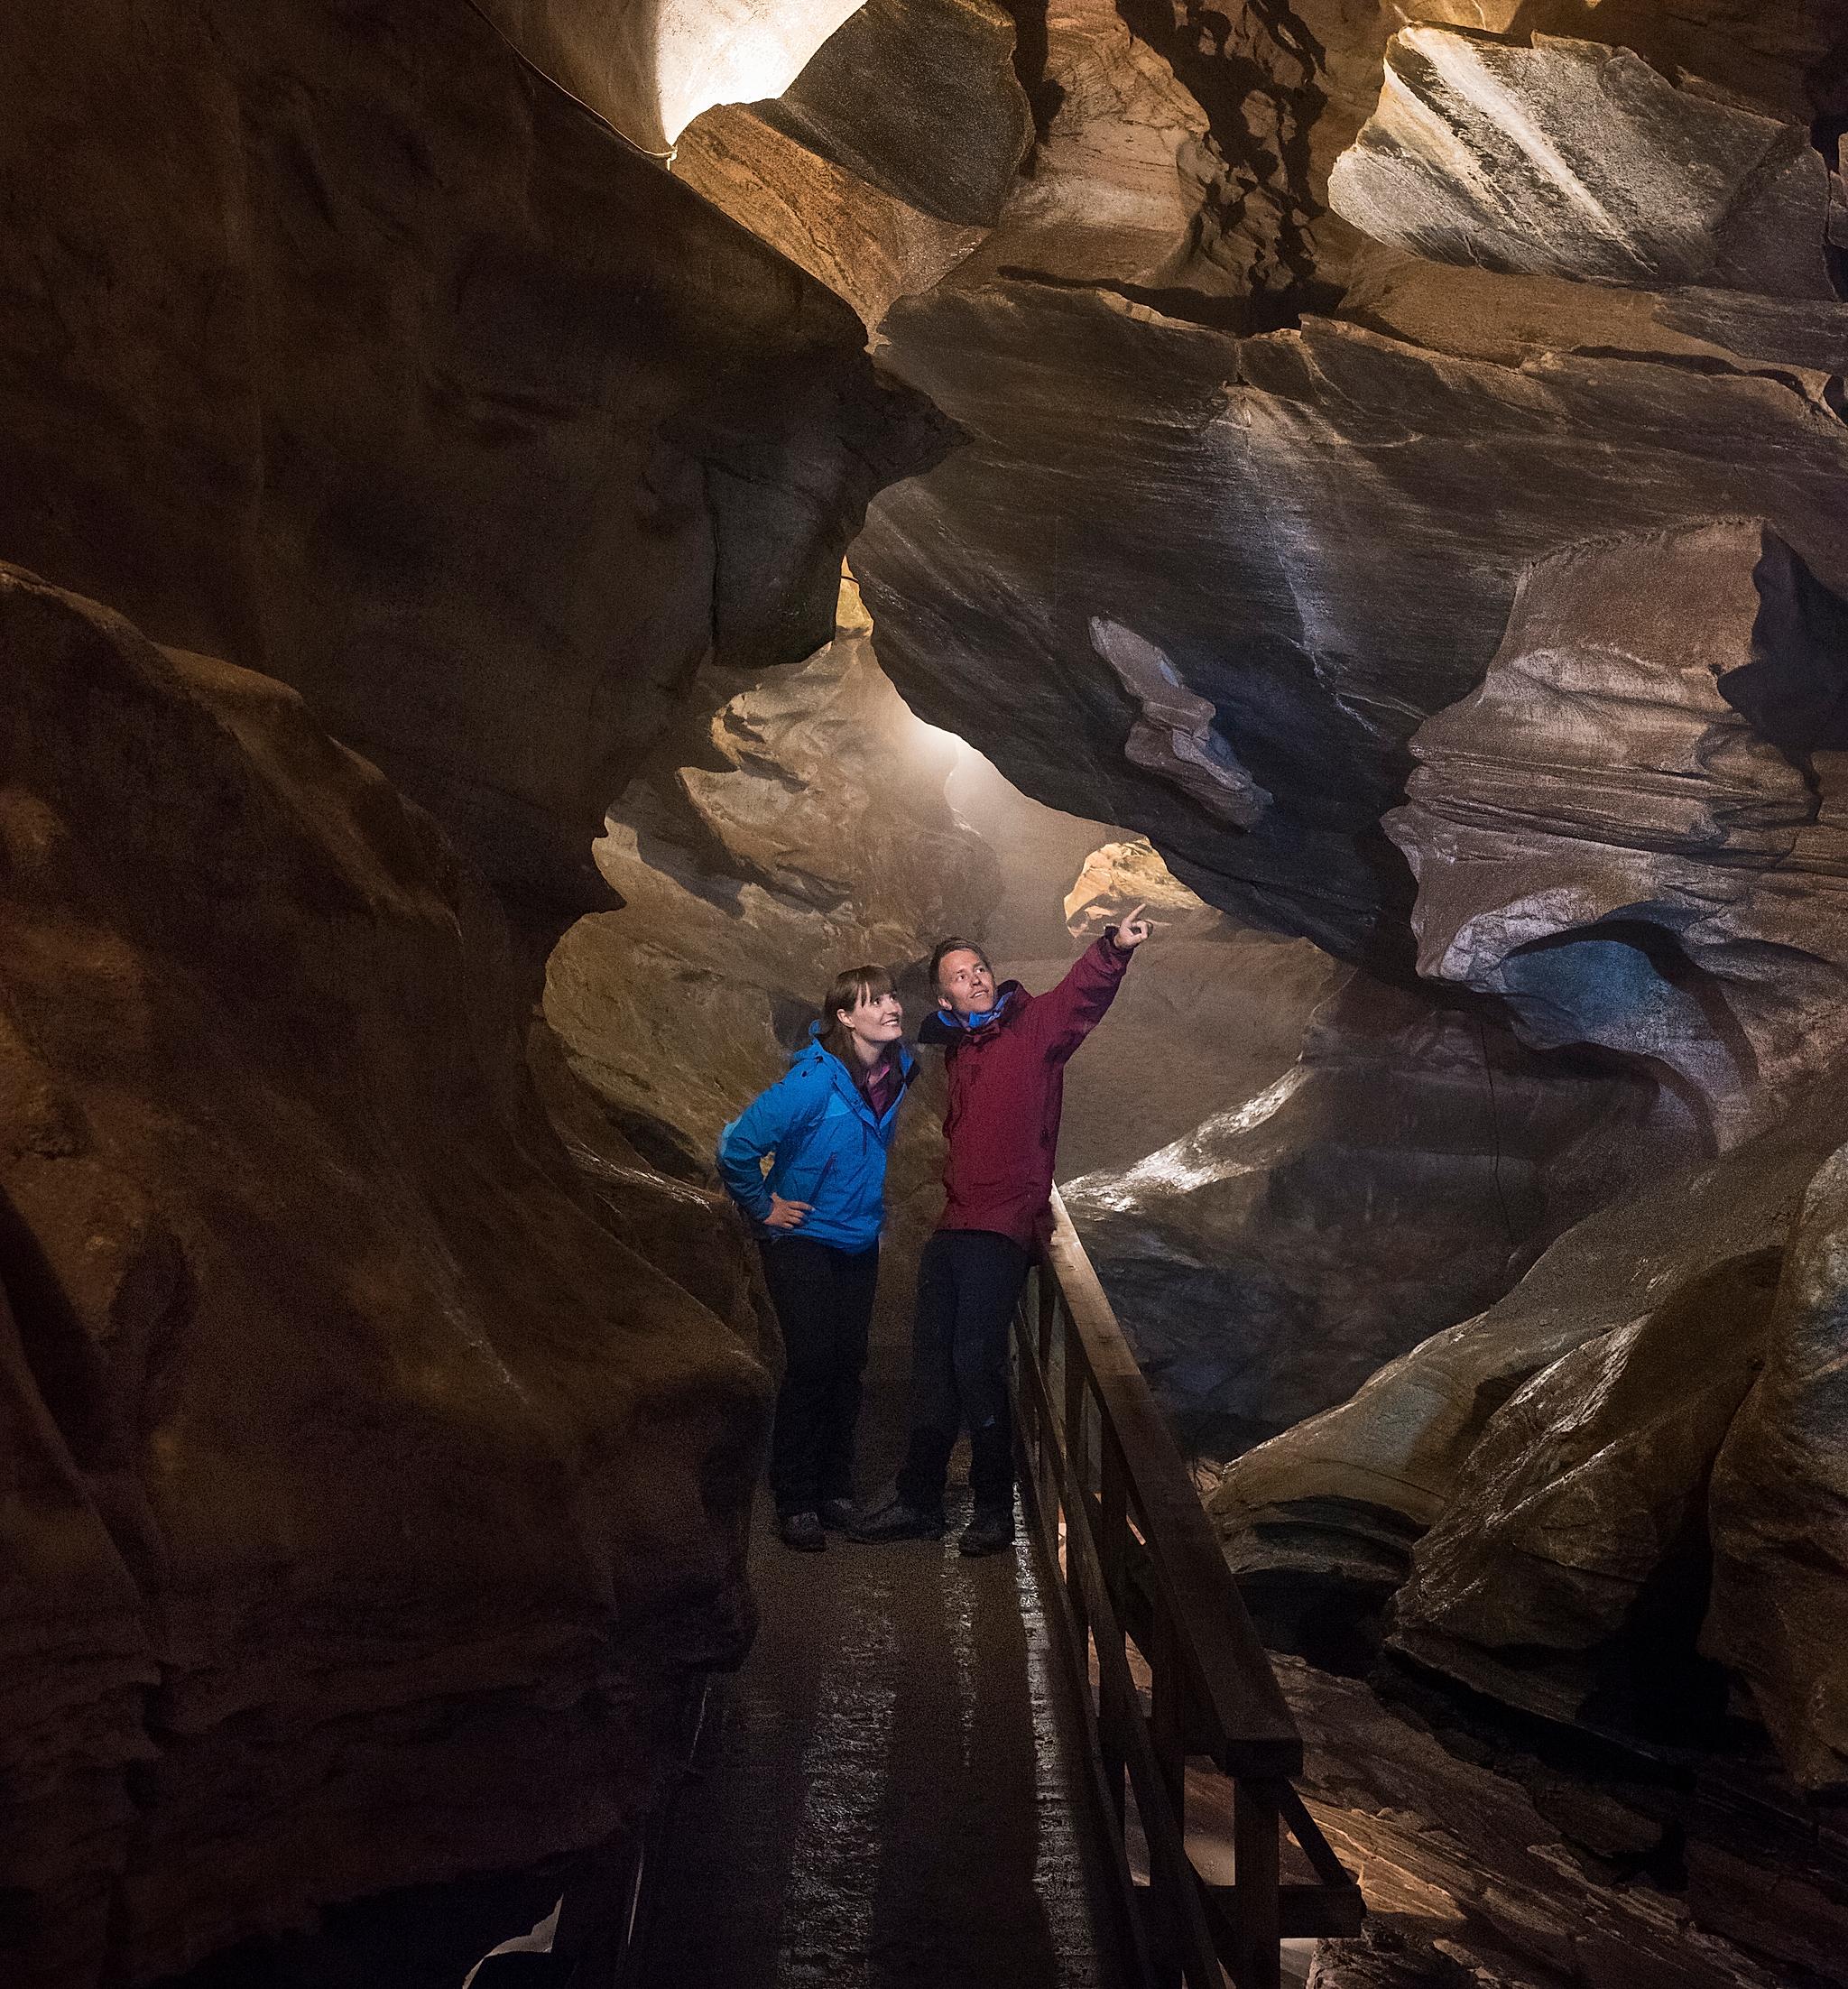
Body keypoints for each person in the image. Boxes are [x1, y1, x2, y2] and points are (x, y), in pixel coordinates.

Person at [852, 906, 1150, 1557]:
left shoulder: (1033, 1026)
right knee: (932, 1360)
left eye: (980, 968)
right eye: (961, 975)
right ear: (945, 996)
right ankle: (920, 1500)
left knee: (973, 1362)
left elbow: (1082, 996)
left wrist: (1114, 949)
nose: (977, 979)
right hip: (954, 1221)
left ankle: (993, 1509)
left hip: (1003, 1225)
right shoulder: (959, 1052)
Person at [717, 967, 914, 1552]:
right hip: (801, 1241)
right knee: (812, 1363)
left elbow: (864, 1155)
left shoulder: (889, 1077)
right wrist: (764, 1207)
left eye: (892, 996)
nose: (890, 1006)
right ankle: (797, 1499)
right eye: (873, 1001)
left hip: (855, 1243)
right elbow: (738, 1147)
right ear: (845, 1018)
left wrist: (869, 1217)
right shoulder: (809, 1083)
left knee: (848, 1365)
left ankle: (836, 1491)